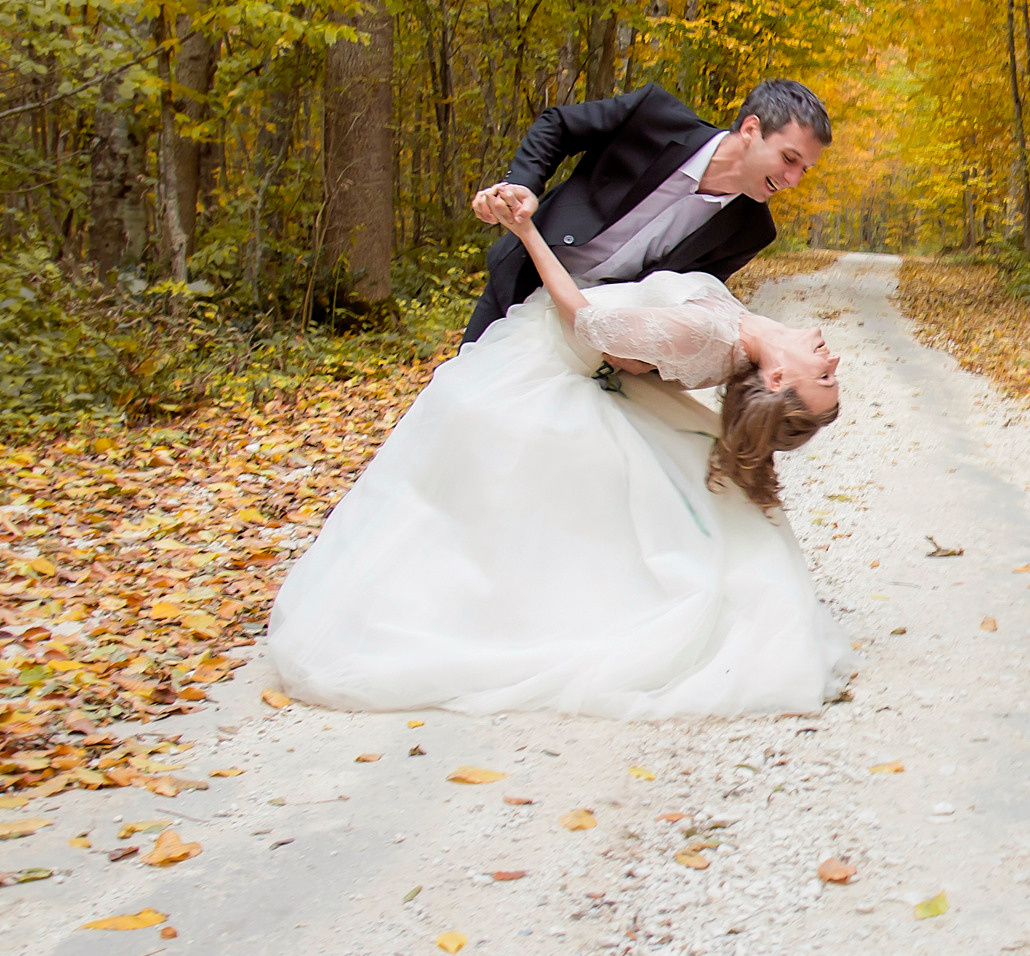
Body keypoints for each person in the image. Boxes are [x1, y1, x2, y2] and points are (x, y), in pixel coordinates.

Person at [266, 187, 849, 719]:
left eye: (823, 380)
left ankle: (417, 625)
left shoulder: (704, 340)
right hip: (550, 359)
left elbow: (586, 324)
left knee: (461, 524)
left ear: (776, 380)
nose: (834, 364)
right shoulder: (742, 338)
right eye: (832, 376)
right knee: (452, 516)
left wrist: (527, 233)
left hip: (544, 360)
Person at [461, 78, 830, 343]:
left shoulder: (751, 231)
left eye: (804, 169)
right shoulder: (653, 115)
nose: (793, 179)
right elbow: (558, 125)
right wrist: (522, 185)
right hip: (521, 279)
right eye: (789, 158)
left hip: (592, 337)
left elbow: (678, 303)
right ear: (751, 129)